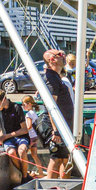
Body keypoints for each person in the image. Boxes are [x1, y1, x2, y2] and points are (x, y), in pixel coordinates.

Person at [37, 48, 74, 179]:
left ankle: (63, 186)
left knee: (65, 158)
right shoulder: (51, 79)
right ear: (52, 60)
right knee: (57, 158)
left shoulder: (56, 77)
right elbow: (51, 106)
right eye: (60, 55)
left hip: (63, 125)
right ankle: (52, 187)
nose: (64, 57)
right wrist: (56, 131)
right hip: (57, 127)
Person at [0, 89, 31, 184]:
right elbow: (3, 127)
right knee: (11, 152)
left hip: (21, 136)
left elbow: (24, 129)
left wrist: (6, 136)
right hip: (8, 139)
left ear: (4, 99)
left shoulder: (16, 107)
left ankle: (24, 177)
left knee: (22, 151)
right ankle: (24, 173)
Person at [22, 95, 45, 176]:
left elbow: (29, 126)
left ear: (29, 104)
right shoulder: (34, 113)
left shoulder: (28, 114)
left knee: (23, 154)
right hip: (35, 136)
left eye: (24, 104)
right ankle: (41, 172)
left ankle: (25, 172)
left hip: (30, 137)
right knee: (34, 155)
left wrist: (23, 130)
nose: (23, 106)